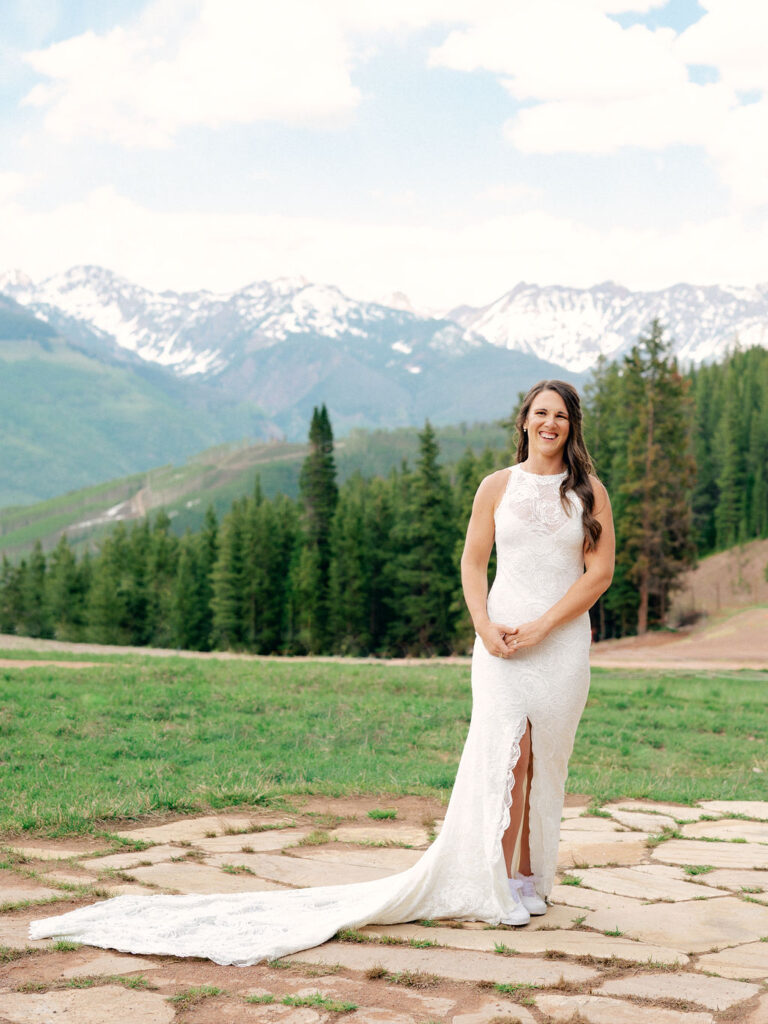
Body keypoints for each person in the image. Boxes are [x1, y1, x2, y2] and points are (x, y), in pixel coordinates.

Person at [30, 379, 614, 964]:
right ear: (523, 422)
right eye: (540, 413)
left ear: (572, 424)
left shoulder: (589, 492)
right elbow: (472, 559)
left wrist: (542, 627)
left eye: (560, 415)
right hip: (502, 643)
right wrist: (485, 627)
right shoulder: (496, 487)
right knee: (507, 752)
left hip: (560, 646)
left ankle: (533, 879)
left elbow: (599, 574)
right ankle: (498, 879)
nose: (549, 424)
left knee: (547, 759)